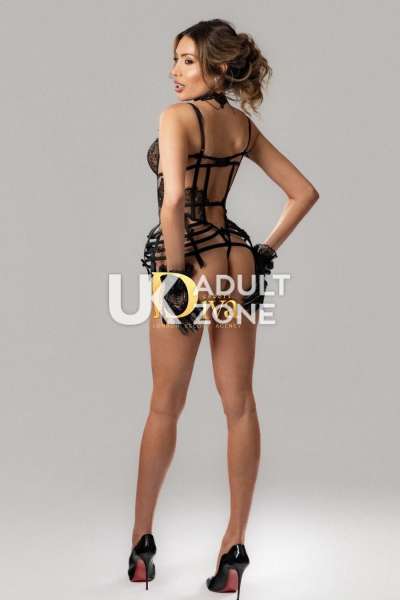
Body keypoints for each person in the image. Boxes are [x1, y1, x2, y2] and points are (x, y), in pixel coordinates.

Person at [128, 18, 319, 598]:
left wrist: (176, 276)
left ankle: (141, 545)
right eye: (175, 59)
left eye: (187, 60)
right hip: (235, 258)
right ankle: (234, 546)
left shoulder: (176, 117)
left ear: (216, 67)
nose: (175, 71)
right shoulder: (240, 125)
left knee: (165, 404)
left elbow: (175, 201)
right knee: (239, 405)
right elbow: (303, 193)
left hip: (191, 262)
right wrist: (263, 252)